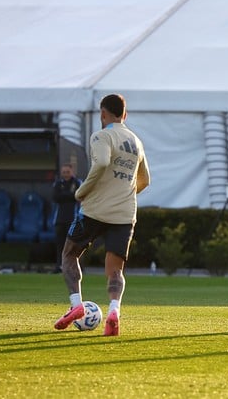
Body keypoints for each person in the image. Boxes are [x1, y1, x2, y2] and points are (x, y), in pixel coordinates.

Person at [53, 94, 150, 336]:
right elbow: (145, 180)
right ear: (124, 115)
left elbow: (102, 162)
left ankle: (76, 306)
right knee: (115, 271)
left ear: (103, 114)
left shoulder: (101, 135)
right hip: (125, 213)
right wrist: (124, 193)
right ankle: (114, 311)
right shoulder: (136, 141)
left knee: (69, 254)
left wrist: (82, 190)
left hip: (95, 210)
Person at [51, 163, 82, 273]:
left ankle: (75, 267)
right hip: (59, 219)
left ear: (72, 172)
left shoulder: (77, 182)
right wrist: (69, 195)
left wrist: (66, 195)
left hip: (73, 219)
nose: (65, 174)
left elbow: (78, 196)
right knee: (60, 244)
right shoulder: (58, 183)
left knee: (74, 245)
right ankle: (59, 266)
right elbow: (55, 197)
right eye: (64, 172)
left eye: (67, 172)